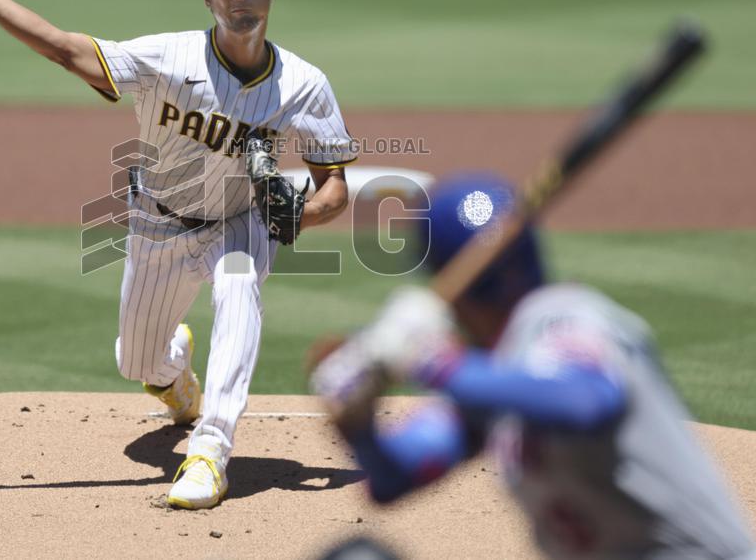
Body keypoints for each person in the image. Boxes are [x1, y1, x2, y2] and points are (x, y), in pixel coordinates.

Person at [0, 0, 356, 509]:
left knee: (239, 286)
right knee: (136, 360)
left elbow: (335, 189)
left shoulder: (304, 85)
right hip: (158, 224)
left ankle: (210, 452)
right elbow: (61, 47)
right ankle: (173, 375)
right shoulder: (166, 59)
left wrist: (296, 212)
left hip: (238, 220)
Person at [311, 172, 755, 558]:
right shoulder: (496, 374)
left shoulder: (569, 317)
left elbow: (585, 401)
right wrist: (360, 426)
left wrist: (431, 361)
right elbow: (393, 479)